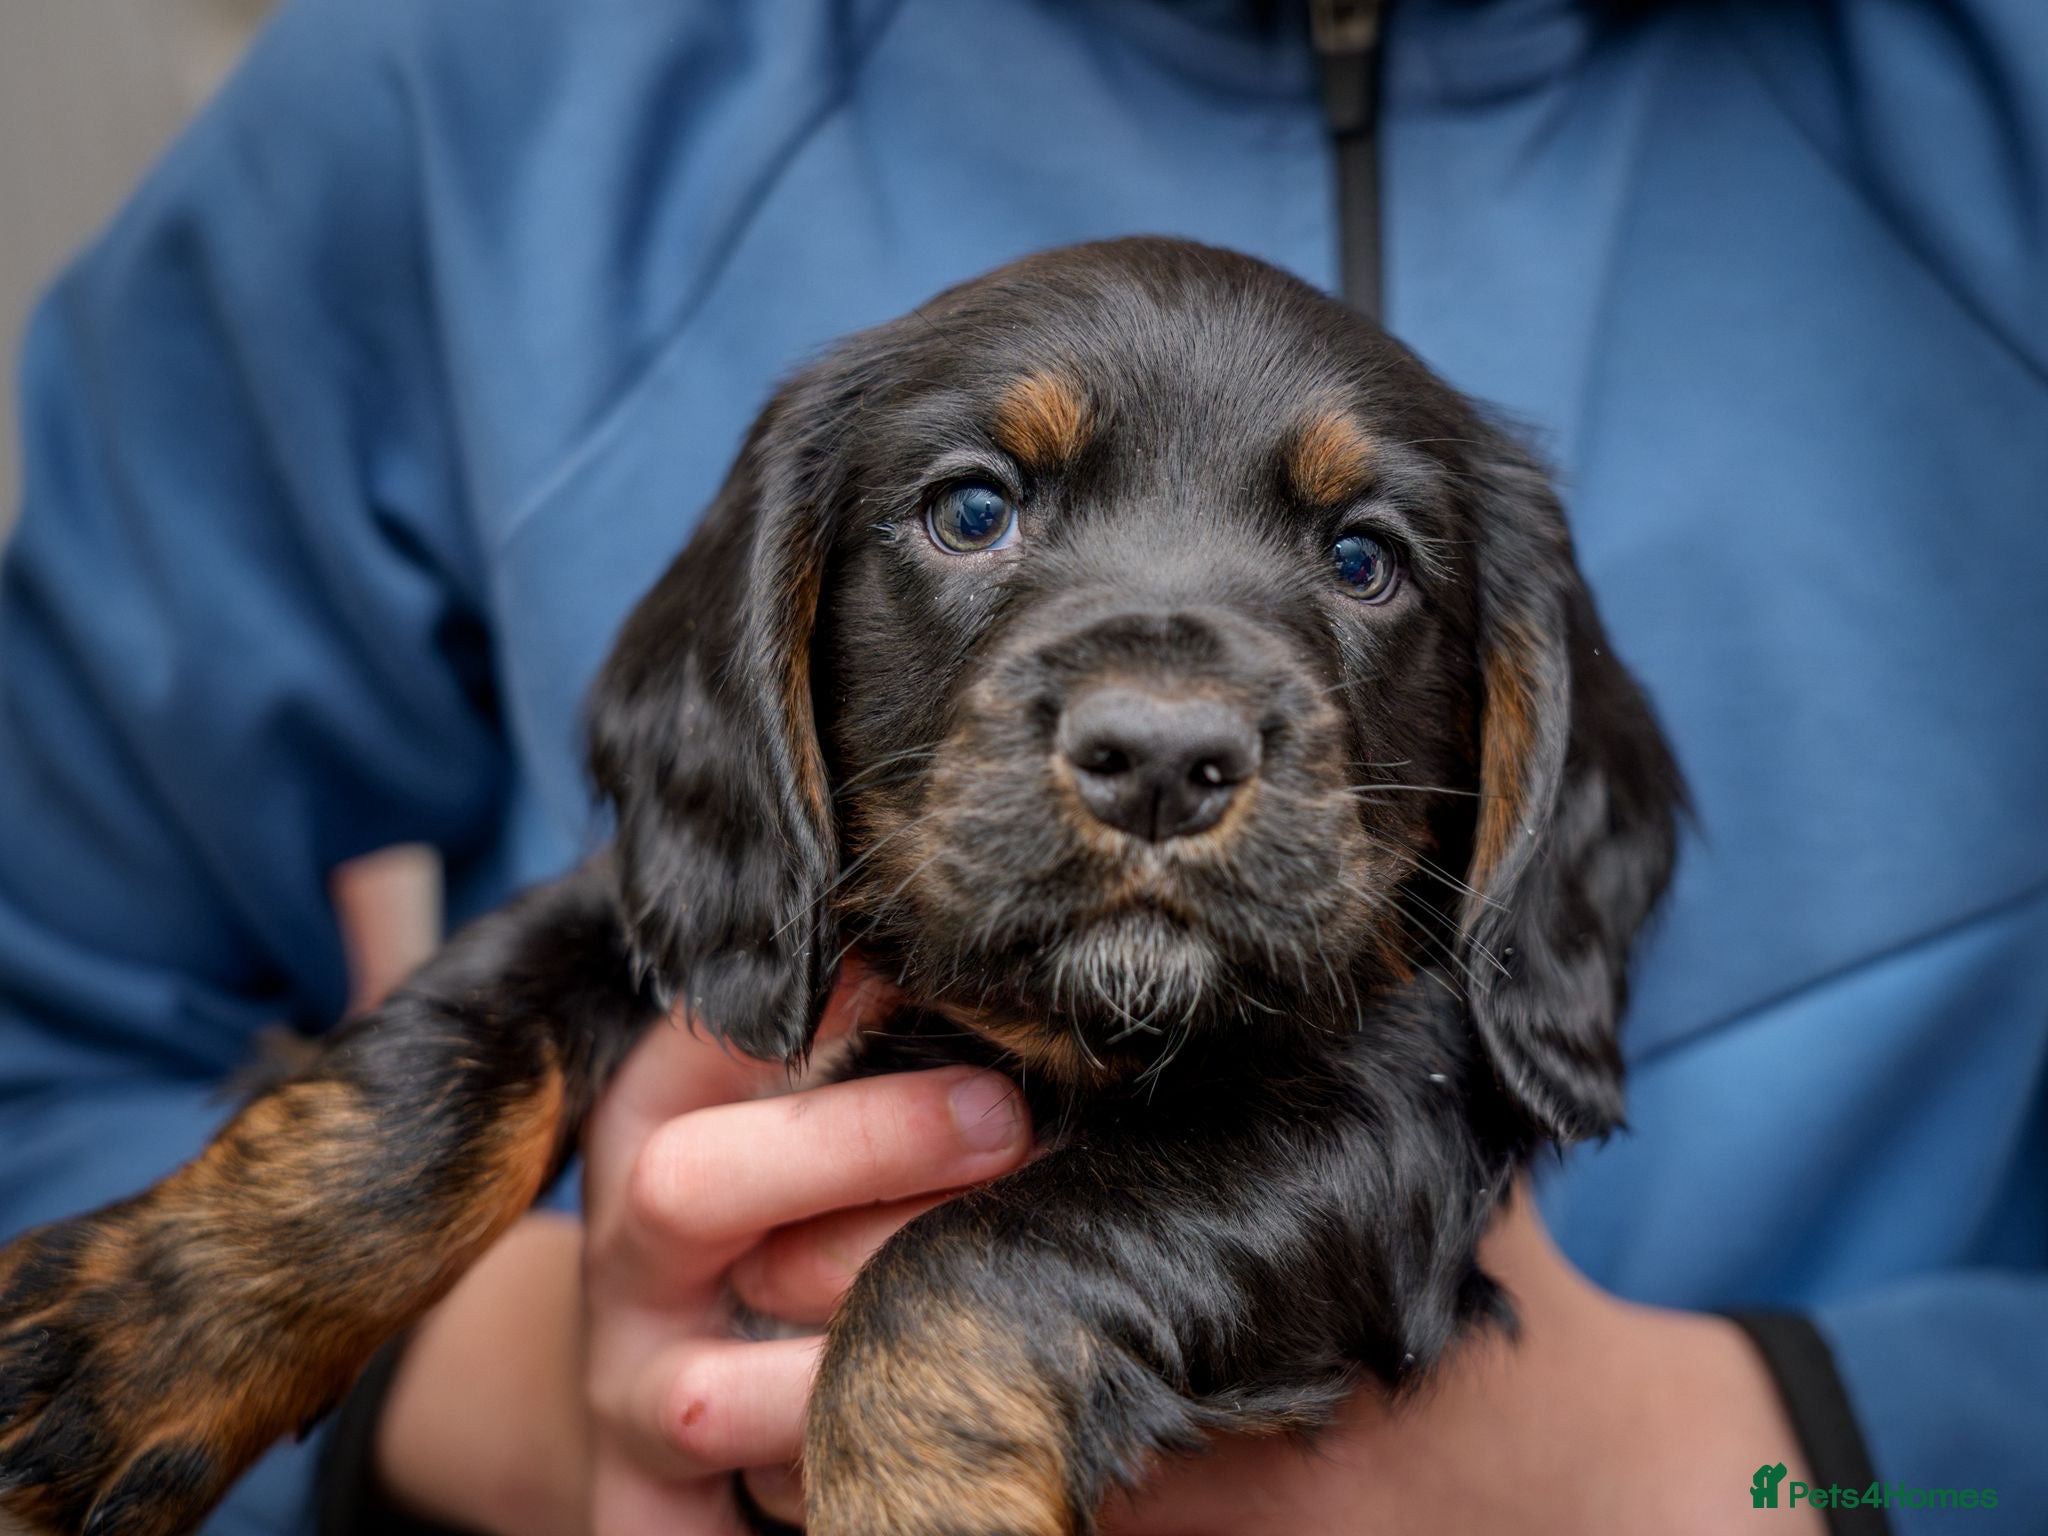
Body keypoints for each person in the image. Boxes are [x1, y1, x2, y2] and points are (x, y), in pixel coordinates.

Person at [2, 1, 2042, 1531]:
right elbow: (89, 1036)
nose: (1166, 729)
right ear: (773, 640)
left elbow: (1401, 1139)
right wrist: (545, 1400)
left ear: (1517, 735)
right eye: (974, 513)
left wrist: (1761, 1470)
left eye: (1358, 560)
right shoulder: (473, 80)